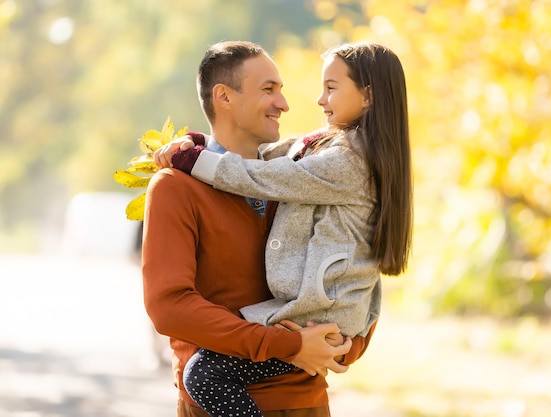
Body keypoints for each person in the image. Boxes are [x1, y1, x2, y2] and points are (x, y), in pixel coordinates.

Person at [157, 42, 412, 417]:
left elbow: (263, 175)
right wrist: (196, 147)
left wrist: (193, 159)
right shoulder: (333, 149)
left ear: (368, 95)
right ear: (223, 97)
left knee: (206, 375)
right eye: (268, 89)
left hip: (312, 356)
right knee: (203, 375)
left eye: (331, 87)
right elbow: (271, 160)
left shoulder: (346, 162)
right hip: (307, 328)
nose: (313, 100)